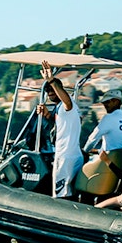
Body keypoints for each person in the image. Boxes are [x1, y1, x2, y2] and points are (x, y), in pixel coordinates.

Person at [37, 60, 82, 198]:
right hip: (72, 155)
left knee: (61, 195)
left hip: (65, 157)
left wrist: (51, 80)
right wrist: (46, 115)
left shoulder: (68, 105)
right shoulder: (60, 109)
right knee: (68, 192)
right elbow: (60, 126)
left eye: (51, 89)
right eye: (47, 90)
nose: (49, 92)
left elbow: (67, 101)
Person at [83, 89, 122, 154]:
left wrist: (84, 151)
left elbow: (93, 138)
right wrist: (97, 151)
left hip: (109, 160)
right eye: (104, 102)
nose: (105, 105)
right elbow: (117, 145)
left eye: (107, 101)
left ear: (116, 101)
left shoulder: (109, 118)